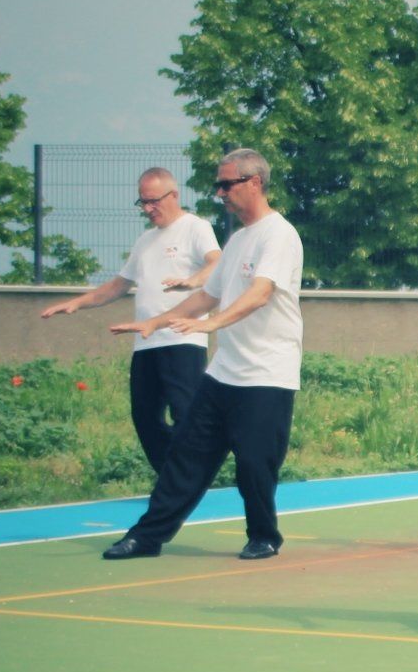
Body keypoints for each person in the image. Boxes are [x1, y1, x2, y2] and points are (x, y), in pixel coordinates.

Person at [100, 149, 303, 562]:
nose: (220, 193)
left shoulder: (279, 235)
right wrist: (156, 322)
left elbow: (260, 293)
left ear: (254, 183)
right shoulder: (238, 239)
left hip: (267, 373)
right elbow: (208, 296)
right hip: (223, 373)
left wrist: (214, 324)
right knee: (186, 456)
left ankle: (263, 536)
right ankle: (147, 537)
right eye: (218, 185)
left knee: (254, 464)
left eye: (227, 184)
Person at [40, 168, 220, 473]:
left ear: (174, 195)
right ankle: (171, 476)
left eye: (154, 201)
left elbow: (217, 263)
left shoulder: (195, 227)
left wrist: (193, 281)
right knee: (144, 416)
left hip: (182, 338)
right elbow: (119, 285)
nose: (148, 209)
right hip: (146, 342)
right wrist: (77, 303)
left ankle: (190, 477)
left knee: (185, 413)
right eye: (143, 202)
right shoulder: (145, 240)